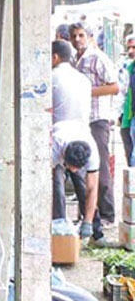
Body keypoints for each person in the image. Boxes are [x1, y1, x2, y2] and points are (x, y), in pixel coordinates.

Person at [69, 22, 121, 238]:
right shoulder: (73, 60)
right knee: (82, 168)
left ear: (89, 37)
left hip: (98, 119)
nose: (77, 39)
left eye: (81, 35)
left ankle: (107, 214)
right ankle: (88, 214)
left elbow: (114, 86)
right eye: (74, 36)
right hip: (81, 119)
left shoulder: (98, 58)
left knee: (100, 166)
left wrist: (86, 91)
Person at [51, 38, 100, 237]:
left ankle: (88, 225)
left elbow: (93, 186)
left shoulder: (51, 76)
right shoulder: (83, 79)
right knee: (57, 183)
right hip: (62, 130)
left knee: (58, 185)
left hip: (71, 129)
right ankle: (58, 225)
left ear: (54, 57)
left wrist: (86, 221)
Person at [120, 35, 135, 166]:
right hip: (127, 118)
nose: (131, 51)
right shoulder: (128, 69)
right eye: (129, 47)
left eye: (134, 47)